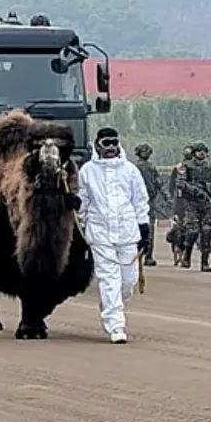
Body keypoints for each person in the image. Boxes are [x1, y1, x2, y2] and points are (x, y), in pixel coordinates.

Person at [77, 128, 150, 344]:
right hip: (100, 233)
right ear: (97, 145)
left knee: (128, 281)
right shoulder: (87, 171)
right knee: (109, 278)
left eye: (113, 143)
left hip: (128, 232)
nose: (110, 148)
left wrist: (144, 226)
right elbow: (83, 201)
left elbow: (140, 200)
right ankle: (116, 325)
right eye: (105, 143)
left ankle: (112, 303)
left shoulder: (130, 170)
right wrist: (77, 208)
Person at [179, 141, 211, 272]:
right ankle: (187, 255)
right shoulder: (187, 166)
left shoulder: (209, 167)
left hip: (206, 204)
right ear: (194, 153)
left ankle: (205, 262)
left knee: (207, 232)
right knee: (193, 231)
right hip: (192, 203)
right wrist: (194, 190)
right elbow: (181, 183)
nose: (202, 153)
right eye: (199, 150)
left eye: (204, 151)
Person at [130, 143, 162, 267]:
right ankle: (145, 255)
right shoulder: (134, 169)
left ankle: (146, 255)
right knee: (146, 229)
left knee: (147, 229)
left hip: (146, 201)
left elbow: (159, 183)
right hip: (139, 202)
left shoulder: (135, 168)